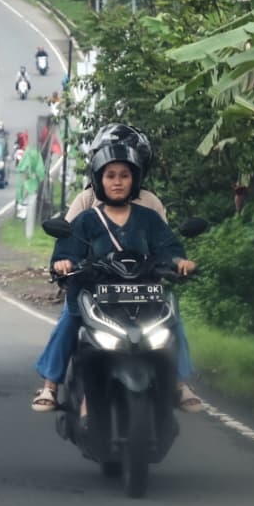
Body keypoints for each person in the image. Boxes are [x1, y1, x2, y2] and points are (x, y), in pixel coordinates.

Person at [31, 126, 203, 417]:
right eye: (110, 175)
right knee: (69, 320)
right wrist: (66, 264)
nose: (118, 182)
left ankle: (178, 382)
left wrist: (178, 262)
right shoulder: (86, 209)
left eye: (125, 174)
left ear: (137, 172)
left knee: (173, 321)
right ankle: (51, 384)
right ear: (99, 175)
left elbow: (165, 244)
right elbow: (68, 242)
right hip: (94, 291)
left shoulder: (149, 209)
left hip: (143, 289)